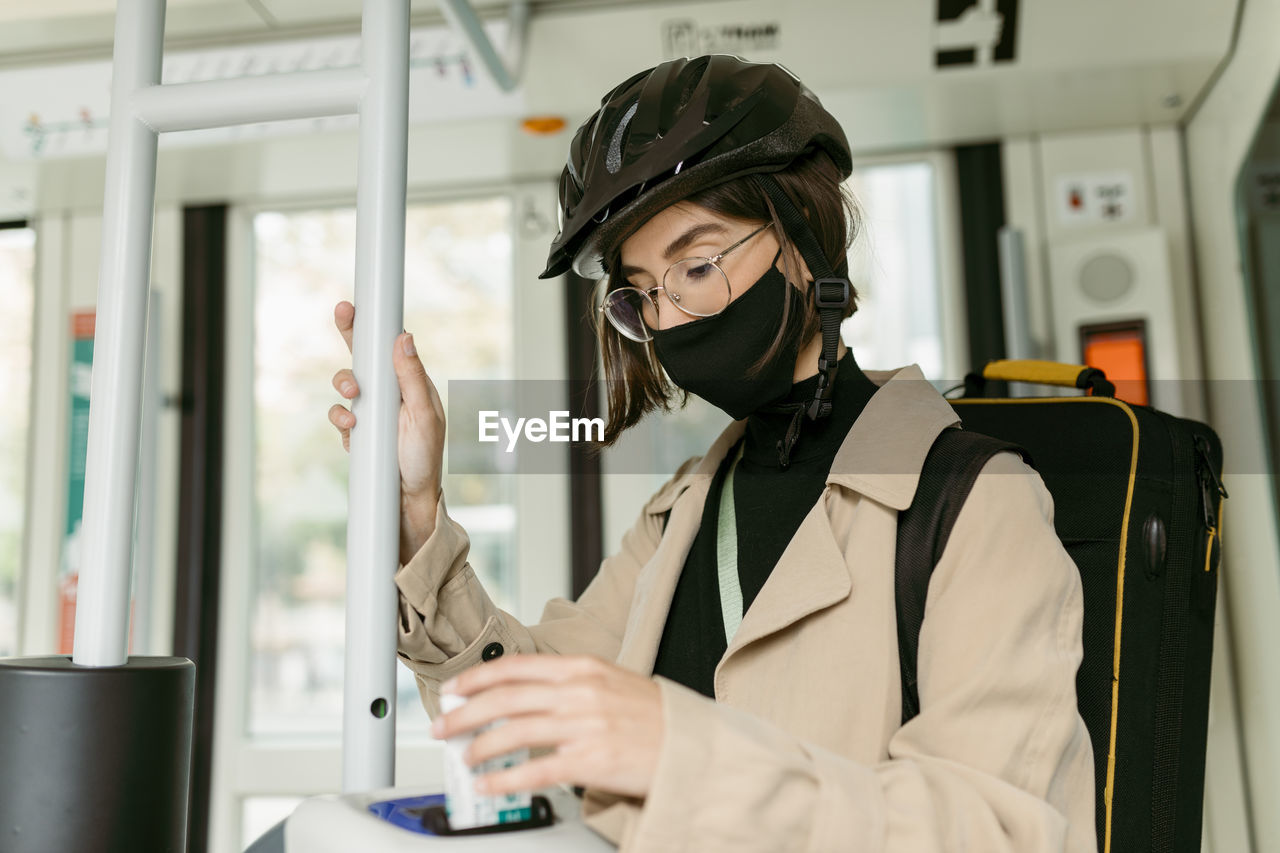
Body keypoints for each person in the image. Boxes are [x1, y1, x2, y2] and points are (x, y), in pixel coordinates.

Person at [328, 55, 1096, 852]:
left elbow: (994, 828)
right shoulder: (683, 510)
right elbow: (530, 719)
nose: (672, 318)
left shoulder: (976, 501)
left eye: (697, 265)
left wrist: (674, 750)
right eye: (642, 294)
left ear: (804, 240)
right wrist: (418, 514)